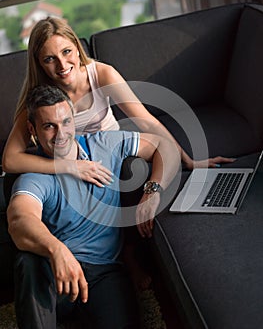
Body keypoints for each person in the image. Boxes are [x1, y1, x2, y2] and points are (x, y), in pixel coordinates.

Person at [2, 17, 233, 289]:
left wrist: (188, 160)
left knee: (128, 171)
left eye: (66, 52)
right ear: (39, 63)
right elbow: (9, 159)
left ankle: (127, 257)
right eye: (49, 59)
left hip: (109, 151)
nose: (62, 66)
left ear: (77, 47)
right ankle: (52, 255)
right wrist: (71, 167)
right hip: (64, 159)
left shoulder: (101, 74)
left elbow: (147, 121)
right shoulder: (40, 96)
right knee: (14, 181)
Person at [7, 84, 180, 329]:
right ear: (32, 130)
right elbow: (20, 219)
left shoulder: (104, 145)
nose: (61, 134)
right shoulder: (35, 176)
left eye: (65, 122)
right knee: (28, 261)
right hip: (57, 277)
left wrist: (152, 191)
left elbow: (166, 146)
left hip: (105, 274)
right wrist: (57, 251)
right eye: (49, 126)